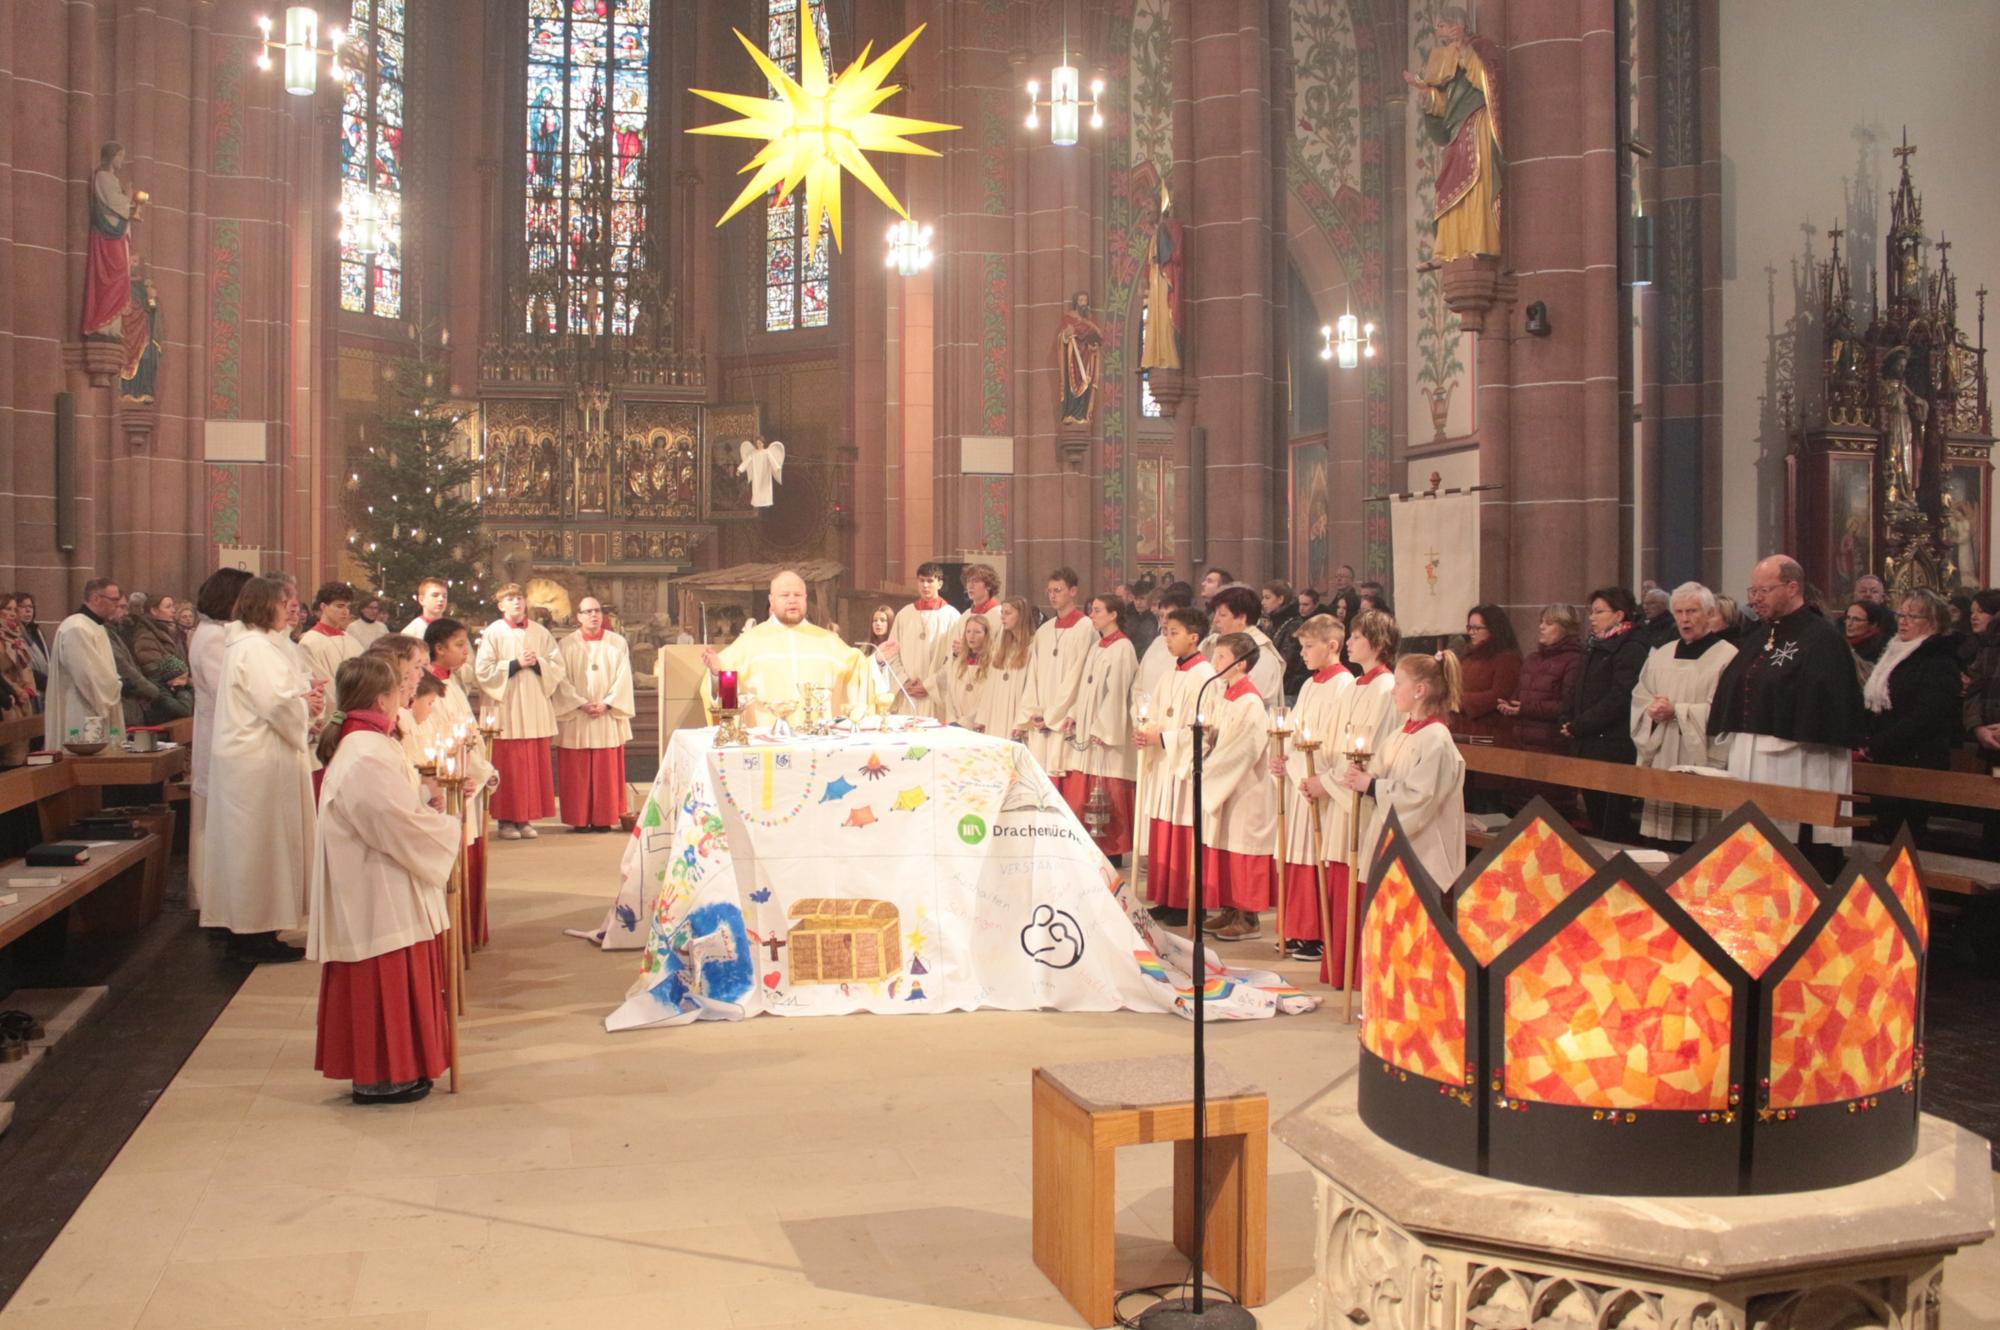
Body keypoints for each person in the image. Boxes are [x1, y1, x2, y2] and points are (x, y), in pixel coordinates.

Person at [308, 654, 462, 1106]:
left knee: (395, 969)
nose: (406, 698)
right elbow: (392, 822)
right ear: (381, 698)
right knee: (384, 976)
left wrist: (424, 800)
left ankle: (401, 1067)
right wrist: (446, 829)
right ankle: (382, 1075)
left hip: (383, 878)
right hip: (376, 886)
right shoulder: (364, 752)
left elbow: (398, 804)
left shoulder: (369, 742)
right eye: (400, 691)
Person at [1708, 555, 1866, 872]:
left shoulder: (1821, 638)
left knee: (1791, 853)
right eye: (1752, 591)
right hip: (1751, 759)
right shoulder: (1761, 635)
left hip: (1799, 762)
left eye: (1763, 590)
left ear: (1792, 587)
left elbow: (1829, 707)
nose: (1754, 599)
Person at [201, 575, 320, 963]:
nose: (290, 608)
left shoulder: (258, 644)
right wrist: (307, 706)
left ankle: (259, 931)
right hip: (256, 764)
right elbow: (277, 704)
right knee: (257, 849)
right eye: (283, 601)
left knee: (262, 848)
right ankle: (250, 936)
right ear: (262, 605)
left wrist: (306, 698)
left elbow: (284, 694)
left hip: (260, 760)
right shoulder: (254, 648)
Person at [1343, 651, 1468, 899]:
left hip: (1423, 853)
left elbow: (1419, 798)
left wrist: (1371, 785)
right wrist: (1361, 776)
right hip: (1394, 847)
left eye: (1399, 683)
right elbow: (1379, 773)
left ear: (1419, 690)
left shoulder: (1436, 739)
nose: (1392, 690)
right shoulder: (1401, 732)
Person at [1319, 609, 1401, 982]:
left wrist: (1330, 782)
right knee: (1339, 873)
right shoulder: (1354, 685)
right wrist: (1321, 776)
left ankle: (1355, 970)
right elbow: (1332, 741)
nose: (1349, 642)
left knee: (1356, 873)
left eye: (1356, 636)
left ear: (1378, 643)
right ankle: (1338, 965)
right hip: (1340, 792)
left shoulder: (1387, 689)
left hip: (1360, 800)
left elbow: (1374, 754)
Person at [1630, 583, 1738, 843]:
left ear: (1710, 613)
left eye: (1692, 611)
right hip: (1663, 753)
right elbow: (1640, 697)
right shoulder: (1661, 655)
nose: (1684, 619)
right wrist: (1651, 711)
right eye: (1678, 612)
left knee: (1699, 845)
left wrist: (1676, 711)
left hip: (1699, 758)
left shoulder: (1728, 656)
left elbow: (1727, 713)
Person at [1272, 614, 1352, 963]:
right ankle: (1296, 928)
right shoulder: (1308, 685)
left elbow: (1338, 740)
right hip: (1297, 779)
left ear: (1332, 646)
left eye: (1308, 647)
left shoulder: (1345, 685)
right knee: (1295, 854)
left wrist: (1316, 778)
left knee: (1313, 855)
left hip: (1318, 784)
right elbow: (1294, 728)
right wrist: (1283, 760)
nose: (1301, 654)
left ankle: (1315, 934)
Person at [705, 569, 872, 725]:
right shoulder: (750, 641)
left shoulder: (828, 641)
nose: (792, 599)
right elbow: (724, 676)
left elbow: (857, 669)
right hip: (766, 744)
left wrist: (878, 662)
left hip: (818, 741)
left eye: (798, 595)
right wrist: (716, 675)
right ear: (772, 600)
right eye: (785, 595)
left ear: (805, 598)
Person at [1858, 588, 1962, 839]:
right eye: (1901, 614)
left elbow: (1926, 716)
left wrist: (1876, 745)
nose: (1903, 621)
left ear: (1934, 623)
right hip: (1886, 759)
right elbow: (1876, 705)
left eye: (1913, 616)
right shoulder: (1892, 653)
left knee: (1907, 836)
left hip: (1917, 760)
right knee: (1886, 832)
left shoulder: (1938, 660)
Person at [1134, 606, 1215, 926]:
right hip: (1165, 763)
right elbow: (1154, 712)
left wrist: (1163, 738)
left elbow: (1205, 730)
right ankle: (1166, 898)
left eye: (1174, 633)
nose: (1167, 639)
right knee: (1163, 831)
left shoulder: (1205, 676)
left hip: (1184, 766)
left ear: (1194, 637)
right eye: (1166, 632)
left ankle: (1187, 903)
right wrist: (1146, 732)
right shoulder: (1171, 673)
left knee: (1182, 833)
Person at [1196, 632, 1278, 941]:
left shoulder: (1250, 701)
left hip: (1246, 788)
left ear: (1240, 665)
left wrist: (1208, 769)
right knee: (1227, 848)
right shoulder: (1225, 694)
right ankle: (1230, 909)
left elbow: (1242, 749)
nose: (1213, 663)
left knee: (1243, 849)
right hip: (1226, 784)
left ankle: (1248, 917)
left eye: (1221, 658)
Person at [474, 583, 567, 840]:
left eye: (519, 598)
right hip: (507, 707)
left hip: (534, 704)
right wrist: (515, 664)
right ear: (500, 605)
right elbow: (482, 671)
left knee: (531, 764)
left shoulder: (539, 632)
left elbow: (557, 666)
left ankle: (525, 818)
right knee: (508, 764)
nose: (516, 602)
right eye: (510, 599)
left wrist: (538, 663)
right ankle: (506, 820)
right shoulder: (493, 632)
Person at [425, 618, 497, 946]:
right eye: (458, 645)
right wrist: (464, 772)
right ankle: (455, 939)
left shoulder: (451, 683)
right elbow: (435, 741)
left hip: (469, 778)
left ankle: (468, 934)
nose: (465, 651)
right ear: (438, 649)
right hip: (453, 783)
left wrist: (483, 769)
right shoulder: (431, 691)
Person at [188, 567, 253, 912]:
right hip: (221, 735)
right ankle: (211, 899)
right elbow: (225, 689)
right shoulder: (214, 636)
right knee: (214, 827)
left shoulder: (219, 632)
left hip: (223, 732)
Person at [1563, 586, 1649, 842]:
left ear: (1619, 615)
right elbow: (1579, 687)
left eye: (1599, 612)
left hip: (1612, 745)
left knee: (1613, 819)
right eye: (1592, 611)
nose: (1592, 617)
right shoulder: (1596, 645)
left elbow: (1620, 697)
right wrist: (1568, 717)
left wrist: (1581, 725)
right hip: (1589, 742)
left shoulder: (1631, 647)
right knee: (1595, 814)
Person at [1059, 594, 1139, 861]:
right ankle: (1089, 847)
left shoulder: (1123, 647)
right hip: (1088, 727)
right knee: (1085, 785)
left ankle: (1111, 850)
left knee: (1107, 788)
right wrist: (1074, 714)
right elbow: (1086, 686)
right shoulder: (1098, 645)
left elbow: (1116, 692)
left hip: (1105, 736)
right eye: (1091, 610)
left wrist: (1104, 728)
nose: (1091, 615)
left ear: (1114, 614)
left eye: (1097, 610)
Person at [554, 596, 634, 833]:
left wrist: (608, 704)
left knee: (605, 769)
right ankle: (579, 818)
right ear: (578, 616)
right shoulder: (566, 644)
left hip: (606, 716)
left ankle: (603, 818)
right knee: (576, 770)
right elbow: (561, 680)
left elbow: (624, 678)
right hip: (578, 715)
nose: (593, 615)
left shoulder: (617, 643)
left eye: (597, 611)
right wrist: (581, 704)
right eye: (587, 611)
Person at [1016, 568, 1097, 781]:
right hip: (1041, 717)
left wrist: (1053, 716)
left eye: (1058, 590)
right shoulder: (1045, 630)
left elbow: (1078, 677)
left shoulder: (1086, 627)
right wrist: (1033, 711)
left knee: (1062, 778)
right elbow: (1032, 675)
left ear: (1073, 592)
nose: (1052, 595)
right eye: (1049, 591)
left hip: (1064, 719)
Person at [44, 578, 126, 752]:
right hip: (81, 708)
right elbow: (87, 677)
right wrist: (117, 685)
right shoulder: (76, 628)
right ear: (96, 599)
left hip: (95, 704)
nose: (117, 605)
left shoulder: (96, 627)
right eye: (114, 600)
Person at [880, 561, 960, 719]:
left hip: (935, 696)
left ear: (940, 583)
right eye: (921, 580)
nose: (925, 585)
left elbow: (954, 659)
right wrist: (903, 681)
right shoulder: (904, 614)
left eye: (930, 581)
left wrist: (929, 685)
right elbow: (891, 653)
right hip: (907, 693)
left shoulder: (952, 616)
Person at [1206, 586, 1284, 702]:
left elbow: (1253, 699)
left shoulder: (1261, 655)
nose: (1215, 620)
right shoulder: (1223, 646)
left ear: (1242, 618)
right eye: (1215, 614)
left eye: (1222, 615)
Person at [1455, 603, 1521, 724]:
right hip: (1462, 725)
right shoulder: (1467, 656)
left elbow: (1500, 695)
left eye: (1477, 628)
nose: (1471, 633)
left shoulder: (1507, 659)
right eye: (1469, 628)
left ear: (1493, 628)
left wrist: (1458, 700)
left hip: (1490, 728)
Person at [1135, 583, 1193, 708]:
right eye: (1161, 616)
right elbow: (1138, 685)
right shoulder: (1156, 643)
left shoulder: (1191, 648)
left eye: (1170, 616)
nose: (1164, 621)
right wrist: (1139, 713)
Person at [300, 581, 360, 691]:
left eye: (348, 607)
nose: (345, 611)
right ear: (323, 606)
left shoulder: (352, 641)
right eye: (340, 606)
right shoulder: (309, 642)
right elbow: (321, 684)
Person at [1260, 580, 1307, 699]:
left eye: (1267, 597)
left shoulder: (1294, 625)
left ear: (1280, 599)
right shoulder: (1272, 623)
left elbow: (1287, 661)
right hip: (1276, 686)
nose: (1262, 602)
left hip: (1289, 690)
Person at [0, 595, 41, 715]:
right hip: (8, 698)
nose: (12, 614)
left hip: (24, 699)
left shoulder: (17, 635)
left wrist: (29, 688)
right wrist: (17, 691)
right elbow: (2, 673)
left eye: (14, 609)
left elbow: (26, 668)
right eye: (8, 609)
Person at [1843, 599, 1895, 687]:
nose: (1849, 624)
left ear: (1873, 624)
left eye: (1857, 619)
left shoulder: (1882, 648)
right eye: (1848, 618)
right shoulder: (1841, 644)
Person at [15, 593, 50, 695]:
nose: (28, 610)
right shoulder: (15, 634)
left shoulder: (36, 632)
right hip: (29, 687)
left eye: (30, 606)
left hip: (44, 686)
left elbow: (46, 658)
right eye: (22, 606)